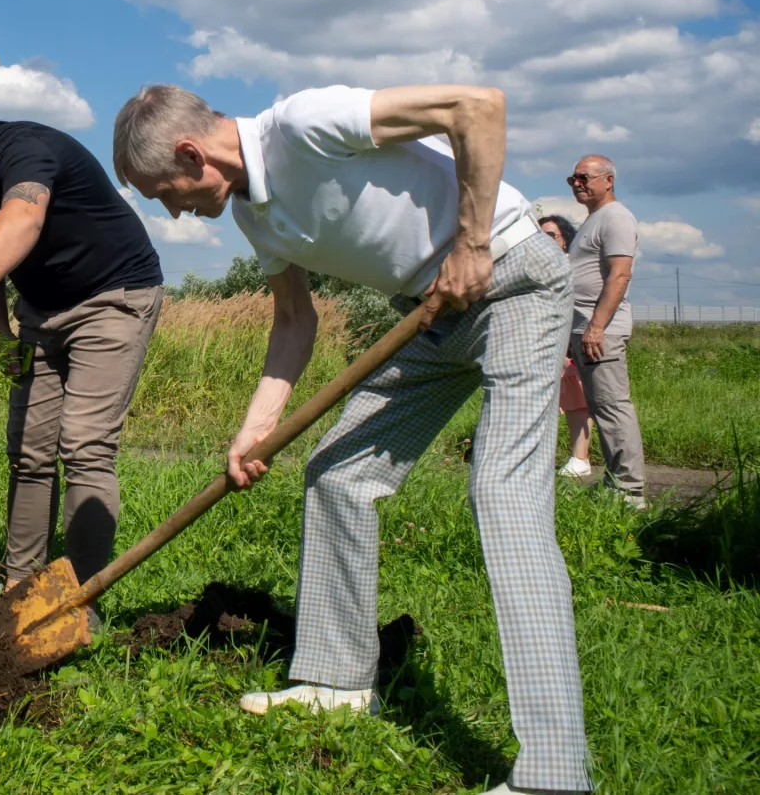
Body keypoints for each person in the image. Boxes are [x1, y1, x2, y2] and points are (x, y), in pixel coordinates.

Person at [113, 83, 588, 795]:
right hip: (431, 316)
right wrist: (256, 428)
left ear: (190, 153)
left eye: (165, 194)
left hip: (513, 281)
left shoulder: (303, 124)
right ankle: (337, 681)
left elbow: (478, 108)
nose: (172, 211)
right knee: (337, 473)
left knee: (504, 497)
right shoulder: (252, 215)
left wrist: (472, 242)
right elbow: (294, 321)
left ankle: (555, 774)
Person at [0, 109, 164, 596]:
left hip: (113, 297)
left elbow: (24, 217)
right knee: (28, 452)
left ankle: (80, 599)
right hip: (40, 311)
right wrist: (2, 335)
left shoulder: (27, 151)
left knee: (85, 448)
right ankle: (19, 590)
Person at [566, 154, 646, 509]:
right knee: (601, 407)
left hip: (601, 331)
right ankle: (617, 481)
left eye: (584, 177)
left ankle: (630, 491)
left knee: (612, 407)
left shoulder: (615, 218)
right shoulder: (594, 220)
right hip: (585, 328)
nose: (577, 184)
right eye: (573, 179)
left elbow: (620, 274)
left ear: (609, 180)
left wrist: (596, 327)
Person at [539, 215, 593, 480]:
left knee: (575, 401)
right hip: (539, 342)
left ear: (565, 240)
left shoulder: (570, 266)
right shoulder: (536, 266)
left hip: (566, 341)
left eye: (551, 235)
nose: (544, 240)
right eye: (540, 234)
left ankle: (580, 458)